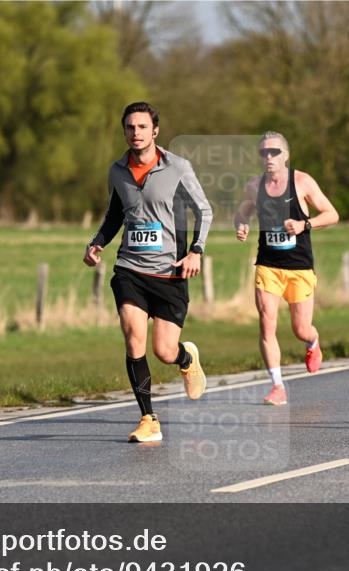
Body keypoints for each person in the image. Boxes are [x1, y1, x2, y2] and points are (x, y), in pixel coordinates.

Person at [83, 102, 212, 444]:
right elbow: (115, 213)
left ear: (155, 131)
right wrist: (97, 242)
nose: (135, 133)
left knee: (164, 351)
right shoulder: (117, 171)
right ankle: (148, 418)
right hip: (130, 268)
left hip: (170, 273)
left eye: (142, 127)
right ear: (124, 131)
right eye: (130, 127)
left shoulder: (177, 167)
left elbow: (204, 211)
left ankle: (186, 358)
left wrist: (196, 251)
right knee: (132, 335)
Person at [234, 132, 340, 405]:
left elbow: (332, 214)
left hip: (299, 267)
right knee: (266, 321)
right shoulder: (254, 186)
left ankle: (312, 342)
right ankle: (277, 386)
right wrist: (241, 223)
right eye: (264, 153)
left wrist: (305, 224)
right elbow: (243, 210)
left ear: (286, 155)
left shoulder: (302, 182)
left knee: (300, 328)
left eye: (274, 152)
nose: (269, 157)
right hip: (268, 265)